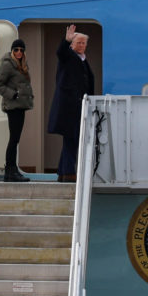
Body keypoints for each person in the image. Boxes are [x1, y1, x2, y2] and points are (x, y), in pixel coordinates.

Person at [48, 24, 95, 182]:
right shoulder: (68, 56)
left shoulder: (82, 60)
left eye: (83, 43)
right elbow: (61, 52)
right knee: (72, 139)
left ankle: (63, 173)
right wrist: (66, 40)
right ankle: (68, 173)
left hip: (78, 106)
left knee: (71, 139)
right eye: (78, 42)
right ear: (72, 45)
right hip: (69, 107)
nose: (81, 45)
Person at [0, 39, 34, 182]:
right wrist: (13, 94)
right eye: (16, 49)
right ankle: (10, 171)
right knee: (14, 139)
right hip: (13, 106)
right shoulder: (7, 64)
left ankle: (12, 170)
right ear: (12, 50)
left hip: (20, 106)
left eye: (21, 50)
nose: (18, 52)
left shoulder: (21, 64)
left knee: (15, 139)